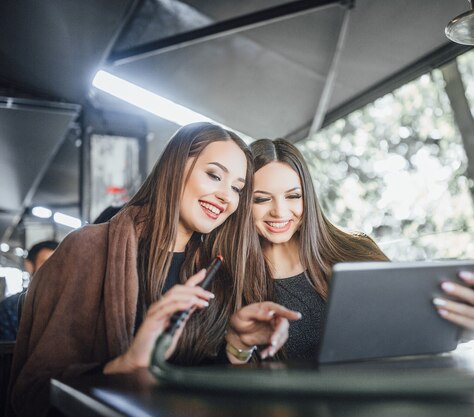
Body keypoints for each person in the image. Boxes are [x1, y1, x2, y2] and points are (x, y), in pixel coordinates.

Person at [8, 123, 300, 417]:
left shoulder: (218, 266)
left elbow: (205, 387)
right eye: (214, 175)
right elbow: (32, 394)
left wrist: (237, 345)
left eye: (237, 188)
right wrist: (125, 365)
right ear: (174, 167)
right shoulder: (89, 248)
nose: (226, 196)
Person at [243, 138, 474, 360]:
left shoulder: (354, 249)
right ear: (243, 202)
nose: (279, 211)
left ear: (308, 197)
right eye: (262, 199)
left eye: (293, 196)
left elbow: (408, 328)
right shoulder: (232, 276)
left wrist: (466, 330)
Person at [0, 240, 58, 341]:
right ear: (29, 265)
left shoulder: (73, 306)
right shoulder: (9, 308)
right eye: (46, 263)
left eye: (59, 265)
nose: (53, 271)